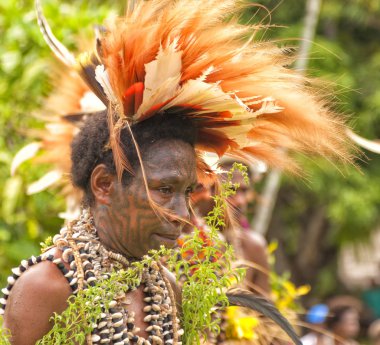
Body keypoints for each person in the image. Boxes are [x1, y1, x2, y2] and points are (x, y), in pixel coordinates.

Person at [1, 0, 353, 343]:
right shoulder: (46, 287)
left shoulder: (165, 286)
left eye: (187, 192)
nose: (185, 215)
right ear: (105, 185)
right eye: (165, 189)